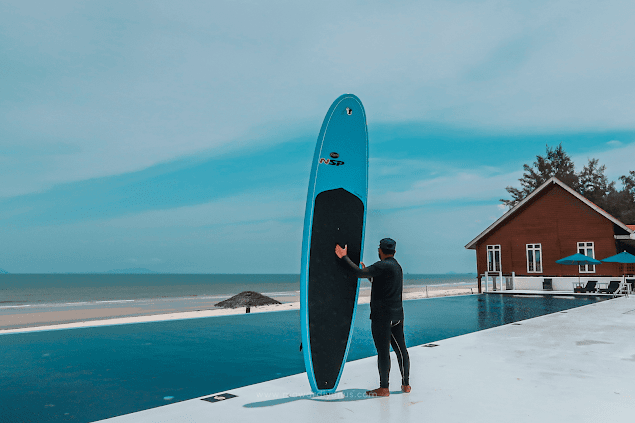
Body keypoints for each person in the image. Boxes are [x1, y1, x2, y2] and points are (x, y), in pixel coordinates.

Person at [335, 238, 411, 397]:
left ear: (380, 251)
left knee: (383, 352)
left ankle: (384, 388)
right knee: (401, 350)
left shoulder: (381, 265)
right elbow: (382, 282)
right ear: (394, 252)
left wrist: (344, 257)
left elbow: (358, 273)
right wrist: (370, 275)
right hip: (397, 315)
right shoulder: (397, 267)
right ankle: (406, 384)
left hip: (382, 316)